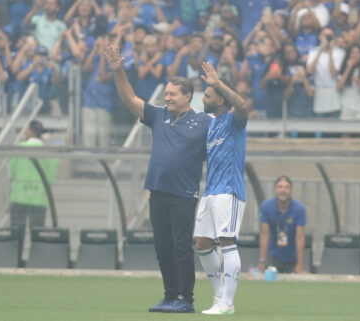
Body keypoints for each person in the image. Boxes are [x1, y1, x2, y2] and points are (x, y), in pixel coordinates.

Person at [103, 43, 211, 313]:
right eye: (167, 93)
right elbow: (130, 98)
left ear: (188, 96)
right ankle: (170, 295)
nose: (168, 97)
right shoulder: (158, 115)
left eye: (173, 93)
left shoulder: (204, 122)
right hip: (158, 192)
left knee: (182, 248)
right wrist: (118, 71)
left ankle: (186, 299)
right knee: (163, 249)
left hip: (184, 195)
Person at [194, 62, 247, 316]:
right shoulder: (212, 124)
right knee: (203, 244)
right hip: (211, 191)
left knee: (227, 242)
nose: (203, 98)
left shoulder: (233, 121)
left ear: (221, 99)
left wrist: (219, 84)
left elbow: (243, 107)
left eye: (208, 94)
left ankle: (227, 302)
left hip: (229, 190)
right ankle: (219, 296)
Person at [9, 120, 59, 254]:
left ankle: (15, 258)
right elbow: (52, 173)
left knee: (16, 232)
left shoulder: (18, 148)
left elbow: (11, 169)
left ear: (30, 131)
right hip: (39, 198)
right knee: (37, 233)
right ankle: (37, 258)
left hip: (19, 196)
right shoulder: (49, 152)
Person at [257, 176, 307, 274]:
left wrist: (300, 265)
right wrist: (262, 261)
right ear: (275, 190)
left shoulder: (299, 208)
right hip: (273, 256)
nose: (283, 190)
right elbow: (264, 234)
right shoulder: (266, 206)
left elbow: (300, 237)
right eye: (280, 187)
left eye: (286, 187)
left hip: (292, 257)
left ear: (291, 190)